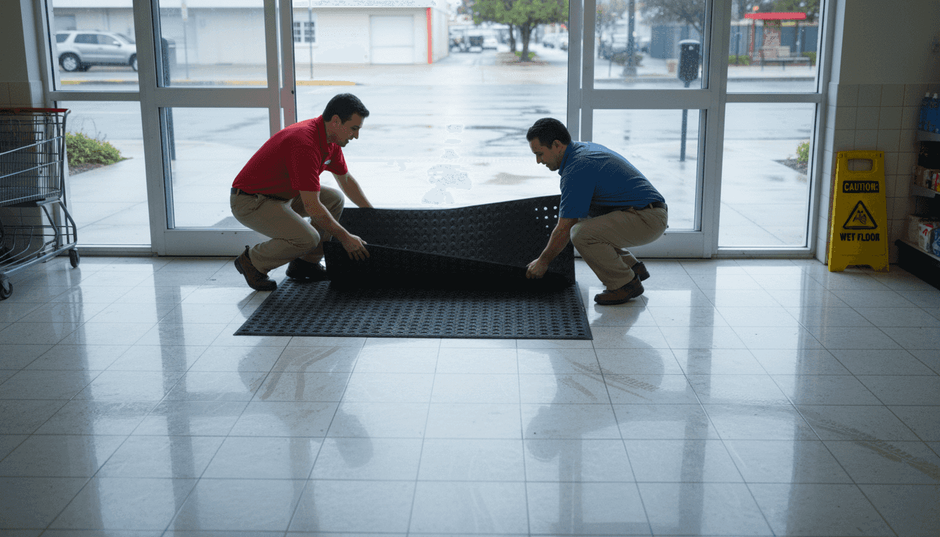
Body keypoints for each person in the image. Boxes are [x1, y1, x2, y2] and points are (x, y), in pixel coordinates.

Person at [230, 93, 373, 291]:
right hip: (251, 201)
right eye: (354, 128)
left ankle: (306, 264)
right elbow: (312, 206)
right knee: (307, 238)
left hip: (283, 195)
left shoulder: (330, 140)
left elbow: (346, 181)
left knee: (334, 198)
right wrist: (345, 237)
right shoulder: (304, 143)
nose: (356, 136)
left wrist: (372, 213)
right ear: (336, 121)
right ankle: (252, 261)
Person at [525, 118, 667, 305]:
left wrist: (543, 261)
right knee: (585, 218)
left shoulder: (577, 168)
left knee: (580, 233)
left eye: (540, 154)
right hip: (645, 212)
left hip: (647, 219)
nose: (538, 161)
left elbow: (565, 227)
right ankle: (632, 268)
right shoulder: (582, 152)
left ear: (557, 145)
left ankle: (625, 284)